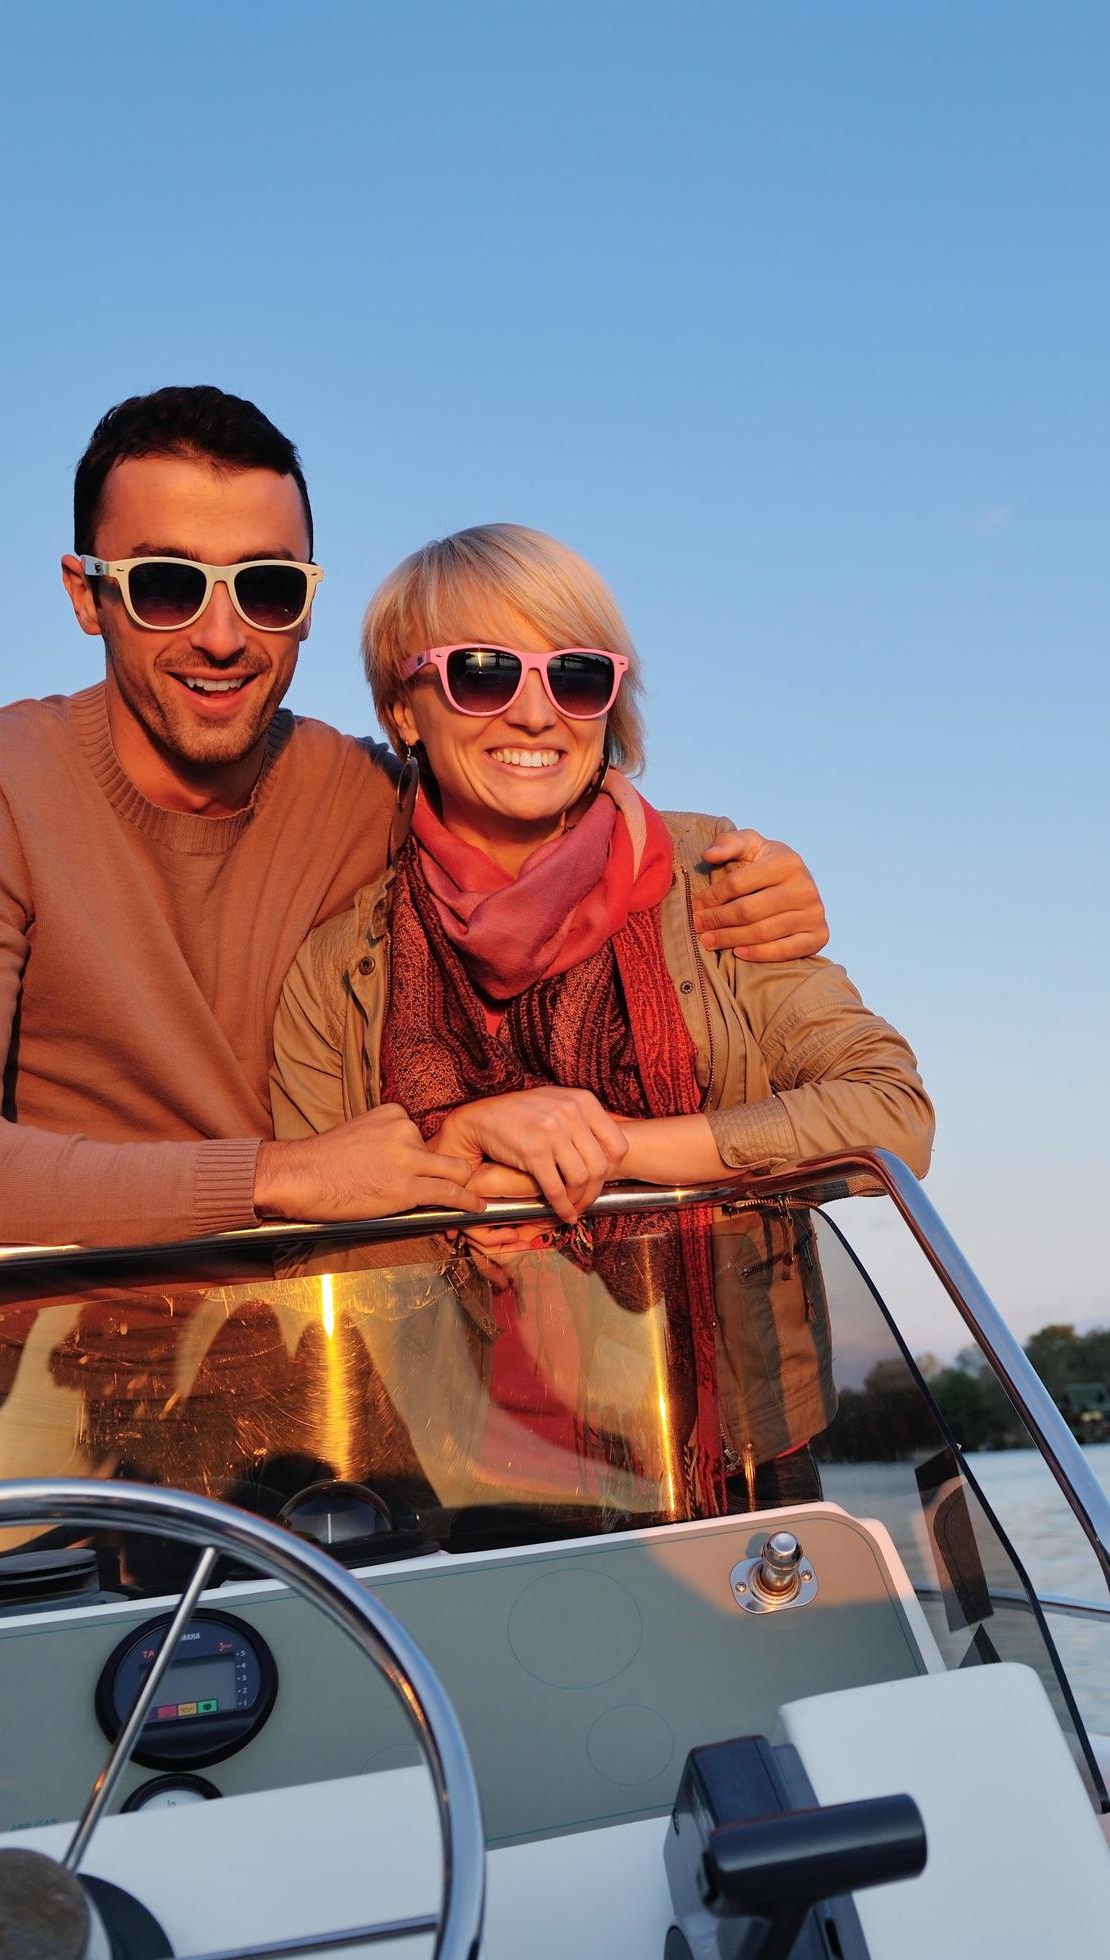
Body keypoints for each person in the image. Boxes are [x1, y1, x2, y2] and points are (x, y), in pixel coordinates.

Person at [0, 388, 830, 1249]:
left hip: (337, 1362)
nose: (222, 636)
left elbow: (546, 807)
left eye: (266, 588)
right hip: (64, 1380)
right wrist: (279, 1176)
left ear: (308, 604)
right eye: (166, 585)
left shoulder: (367, 797)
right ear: (85, 595)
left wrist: (738, 875)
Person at [270, 523, 932, 1506]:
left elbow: (891, 1118)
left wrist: (616, 1147)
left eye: (576, 675)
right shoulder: (338, 966)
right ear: (402, 711)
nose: (537, 713)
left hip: (731, 1469)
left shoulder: (716, 879)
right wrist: (459, 1151)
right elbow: (306, 1254)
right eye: (483, 673)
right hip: (448, 1487)